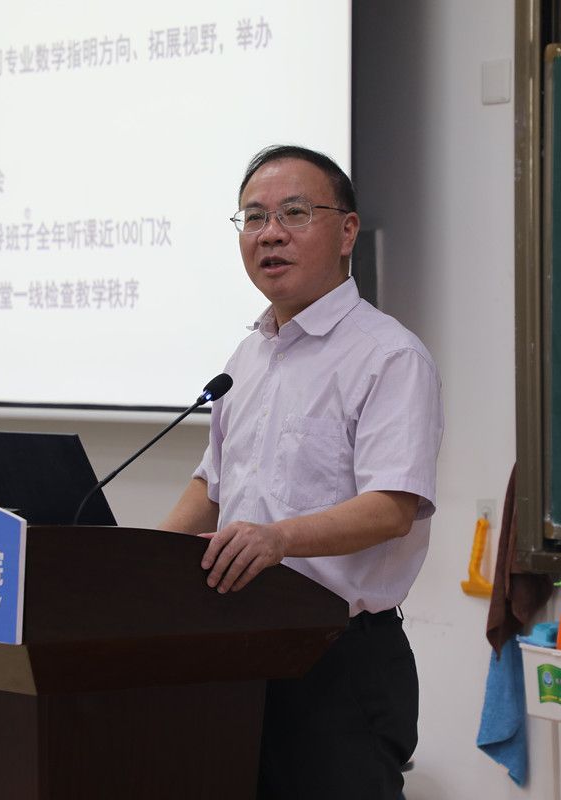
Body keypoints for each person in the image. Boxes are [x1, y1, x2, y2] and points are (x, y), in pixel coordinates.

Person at [161, 144, 443, 800]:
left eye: (294, 213)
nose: (270, 234)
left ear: (347, 231)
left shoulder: (388, 356)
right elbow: (211, 486)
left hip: (337, 660)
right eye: (254, 217)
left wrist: (278, 538)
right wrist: (138, 561)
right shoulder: (249, 356)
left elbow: (392, 507)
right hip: (235, 647)